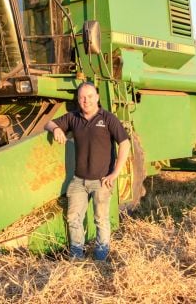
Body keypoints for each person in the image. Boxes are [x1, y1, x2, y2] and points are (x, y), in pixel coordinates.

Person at [44, 82, 130, 261]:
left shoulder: (107, 118)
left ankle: (101, 254)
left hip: (101, 180)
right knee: (73, 218)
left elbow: (125, 143)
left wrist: (115, 173)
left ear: (97, 97)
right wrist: (57, 128)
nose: (86, 100)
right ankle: (76, 255)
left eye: (90, 96)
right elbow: (48, 123)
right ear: (78, 99)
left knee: (101, 219)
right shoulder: (73, 118)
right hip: (78, 180)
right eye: (82, 97)